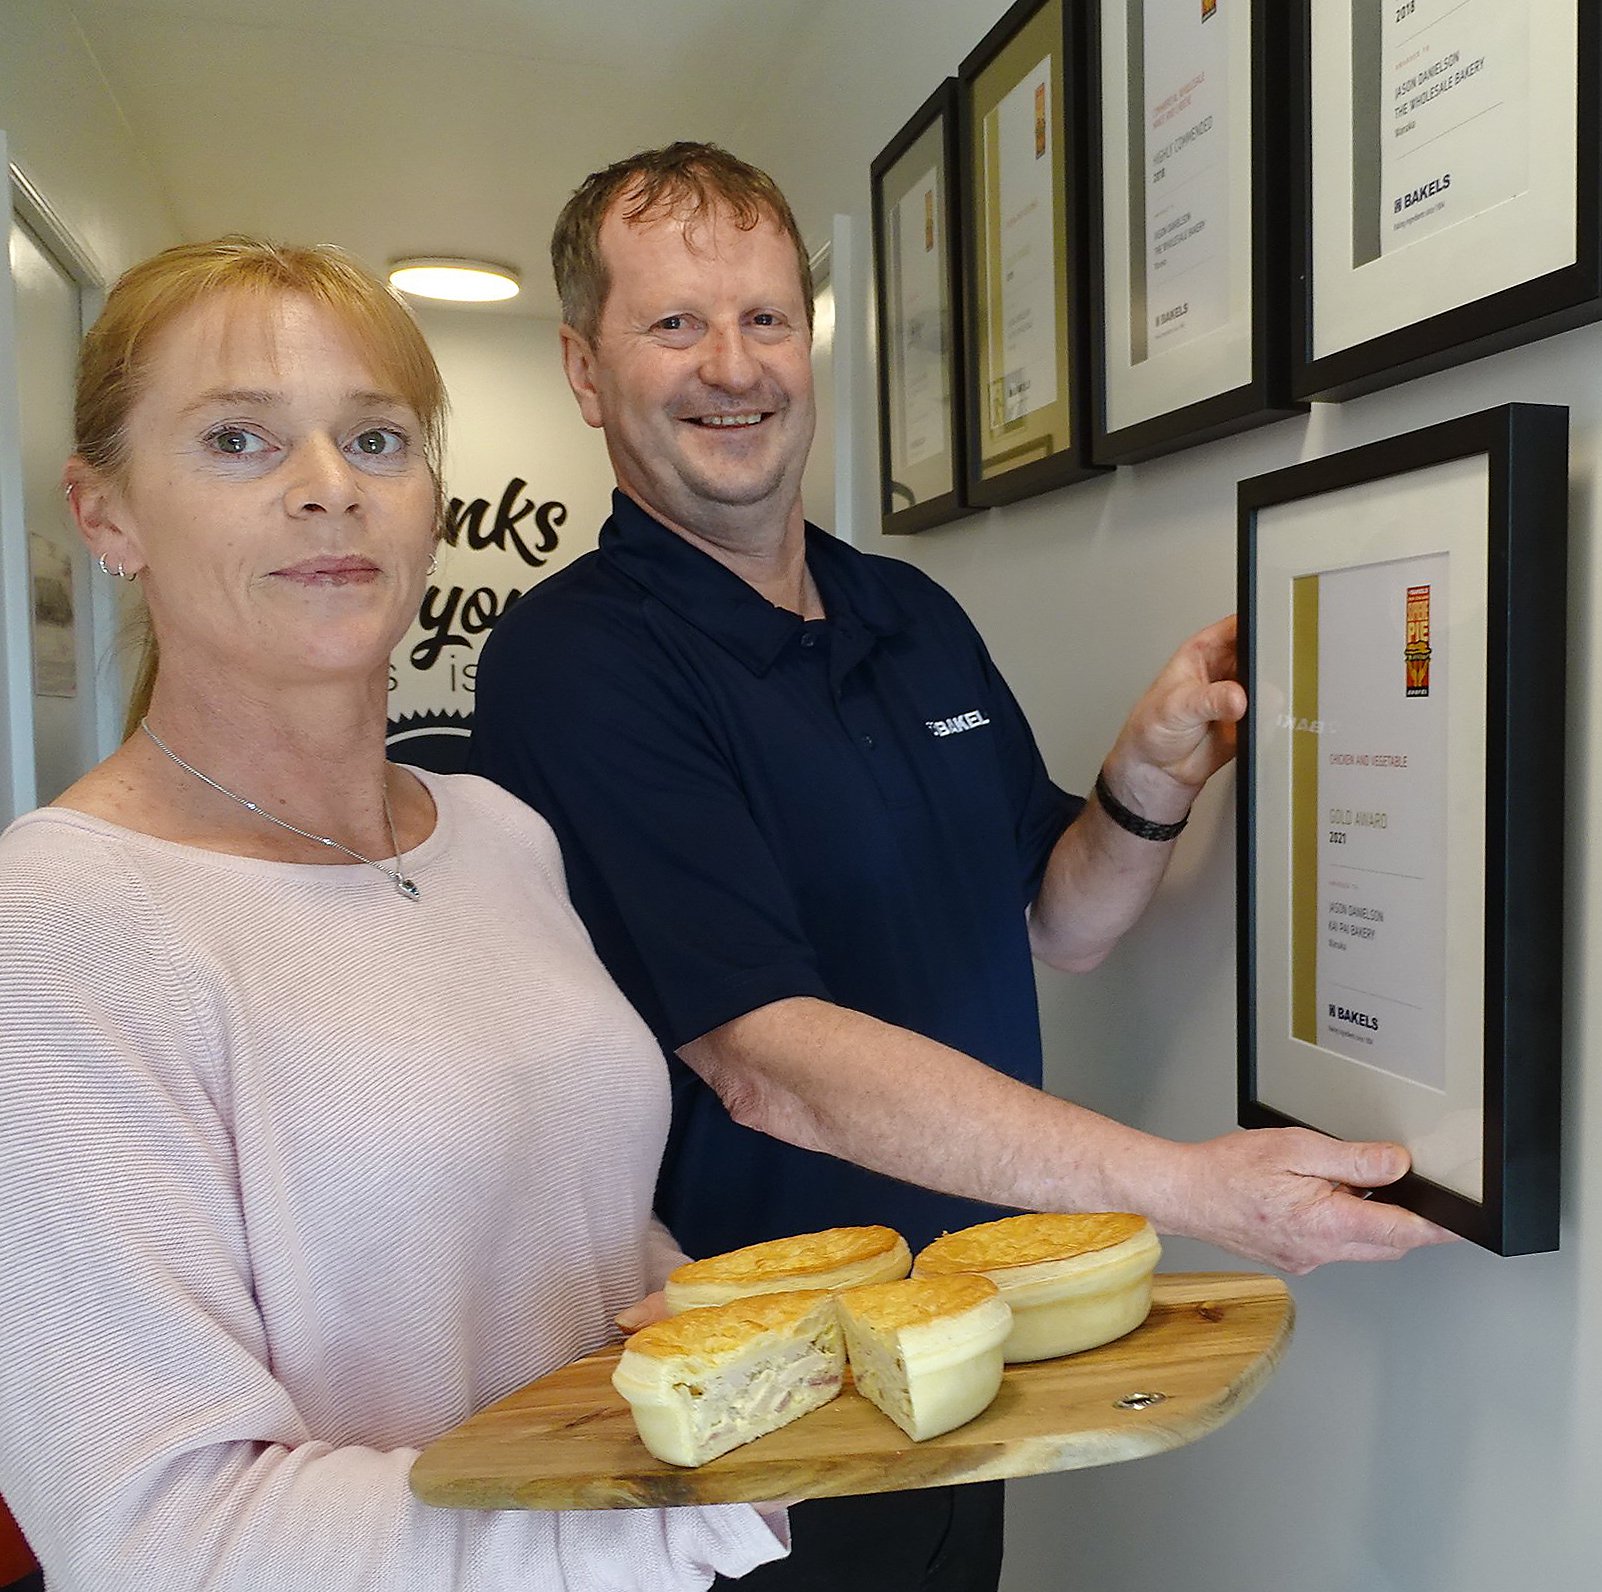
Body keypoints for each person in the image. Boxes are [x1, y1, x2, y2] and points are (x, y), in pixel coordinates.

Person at [468, 144, 1455, 1591]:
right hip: (756, 1397)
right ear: (582, 363)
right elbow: (766, 1062)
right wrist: (1192, 1191)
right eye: (673, 323)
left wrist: (1142, 782)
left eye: (760, 317)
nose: (729, 365)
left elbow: (1055, 923)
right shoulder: (577, 662)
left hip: (969, 1347)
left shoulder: (906, 613)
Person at [0, 238, 792, 1590]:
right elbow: (159, 1537)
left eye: (376, 438)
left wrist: (702, 1321)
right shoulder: (63, 926)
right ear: (107, 513)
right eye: (240, 439)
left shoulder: (498, 835)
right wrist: (677, 1515)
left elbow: (564, 1227)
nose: (327, 491)